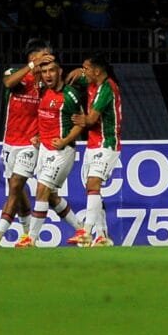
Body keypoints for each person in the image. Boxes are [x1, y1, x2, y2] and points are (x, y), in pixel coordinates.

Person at [0, 38, 53, 247]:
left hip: (29, 144)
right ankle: (27, 235)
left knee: (15, 185)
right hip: (9, 143)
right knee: (18, 190)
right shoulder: (16, 75)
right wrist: (32, 67)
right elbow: (8, 83)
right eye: (44, 56)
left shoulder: (46, 85)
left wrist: (43, 134)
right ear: (33, 58)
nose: (48, 60)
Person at [15, 59, 86, 248]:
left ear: (60, 71)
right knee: (52, 196)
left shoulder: (70, 95)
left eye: (52, 71)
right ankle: (81, 231)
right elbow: (46, 119)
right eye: (44, 71)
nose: (48, 75)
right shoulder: (44, 92)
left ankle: (31, 238)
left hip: (62, 150)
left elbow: (81, 123)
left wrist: (64, 140)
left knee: (42, 189)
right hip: (45, 149)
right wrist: (39, 135)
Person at [67, 53, 122, 247]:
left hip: (107, 144)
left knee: (93, 184)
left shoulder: (107, 88)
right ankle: (102, 235)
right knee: (92, 190)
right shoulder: (93, 81)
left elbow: (90, 120)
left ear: (97, 71)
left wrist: (77, 119)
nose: (84, 72)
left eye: (86, 69)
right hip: (92, 144)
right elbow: (73, 76)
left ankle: (86, 232)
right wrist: (78, 71)